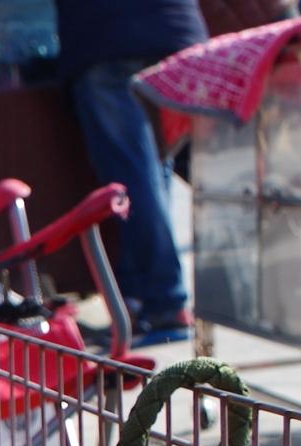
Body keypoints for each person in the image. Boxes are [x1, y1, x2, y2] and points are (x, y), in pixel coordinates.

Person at [56, 0, 207, 346]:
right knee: (151, 172)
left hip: (108, 37)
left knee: (133, 176)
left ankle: (163, 301)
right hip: (174, 30)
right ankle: (137, 298)